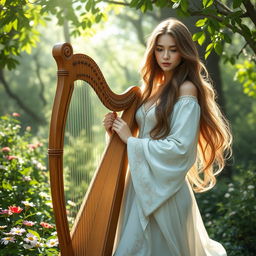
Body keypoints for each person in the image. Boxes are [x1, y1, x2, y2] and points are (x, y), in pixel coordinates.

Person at [103, 18, 232, 256]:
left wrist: (130, 141)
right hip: (140, 184)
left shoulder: (187, 89)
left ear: (184, 52)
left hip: (166, 191)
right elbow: (138, 135)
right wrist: (114, 129)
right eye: (160, 49)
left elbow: (180, 148)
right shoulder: (149, 89)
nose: (166, 56)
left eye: (173, 50)